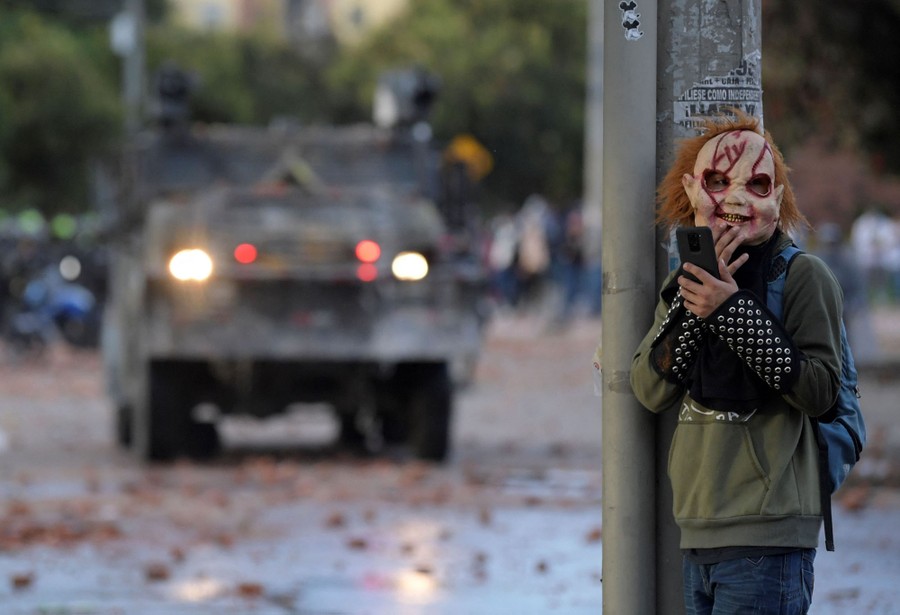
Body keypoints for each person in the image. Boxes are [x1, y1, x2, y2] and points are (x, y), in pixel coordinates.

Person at [629, 111, 842, 614]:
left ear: (778, 197)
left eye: (757, 184)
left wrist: (731, 311)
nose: (737, 198)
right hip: (698, 532)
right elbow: (648, 387)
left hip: (769, 541)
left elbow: (820, 391)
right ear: (691, 188)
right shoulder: (683, 285)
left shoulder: (803, 277)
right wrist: (698, 308)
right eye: (718, 181)